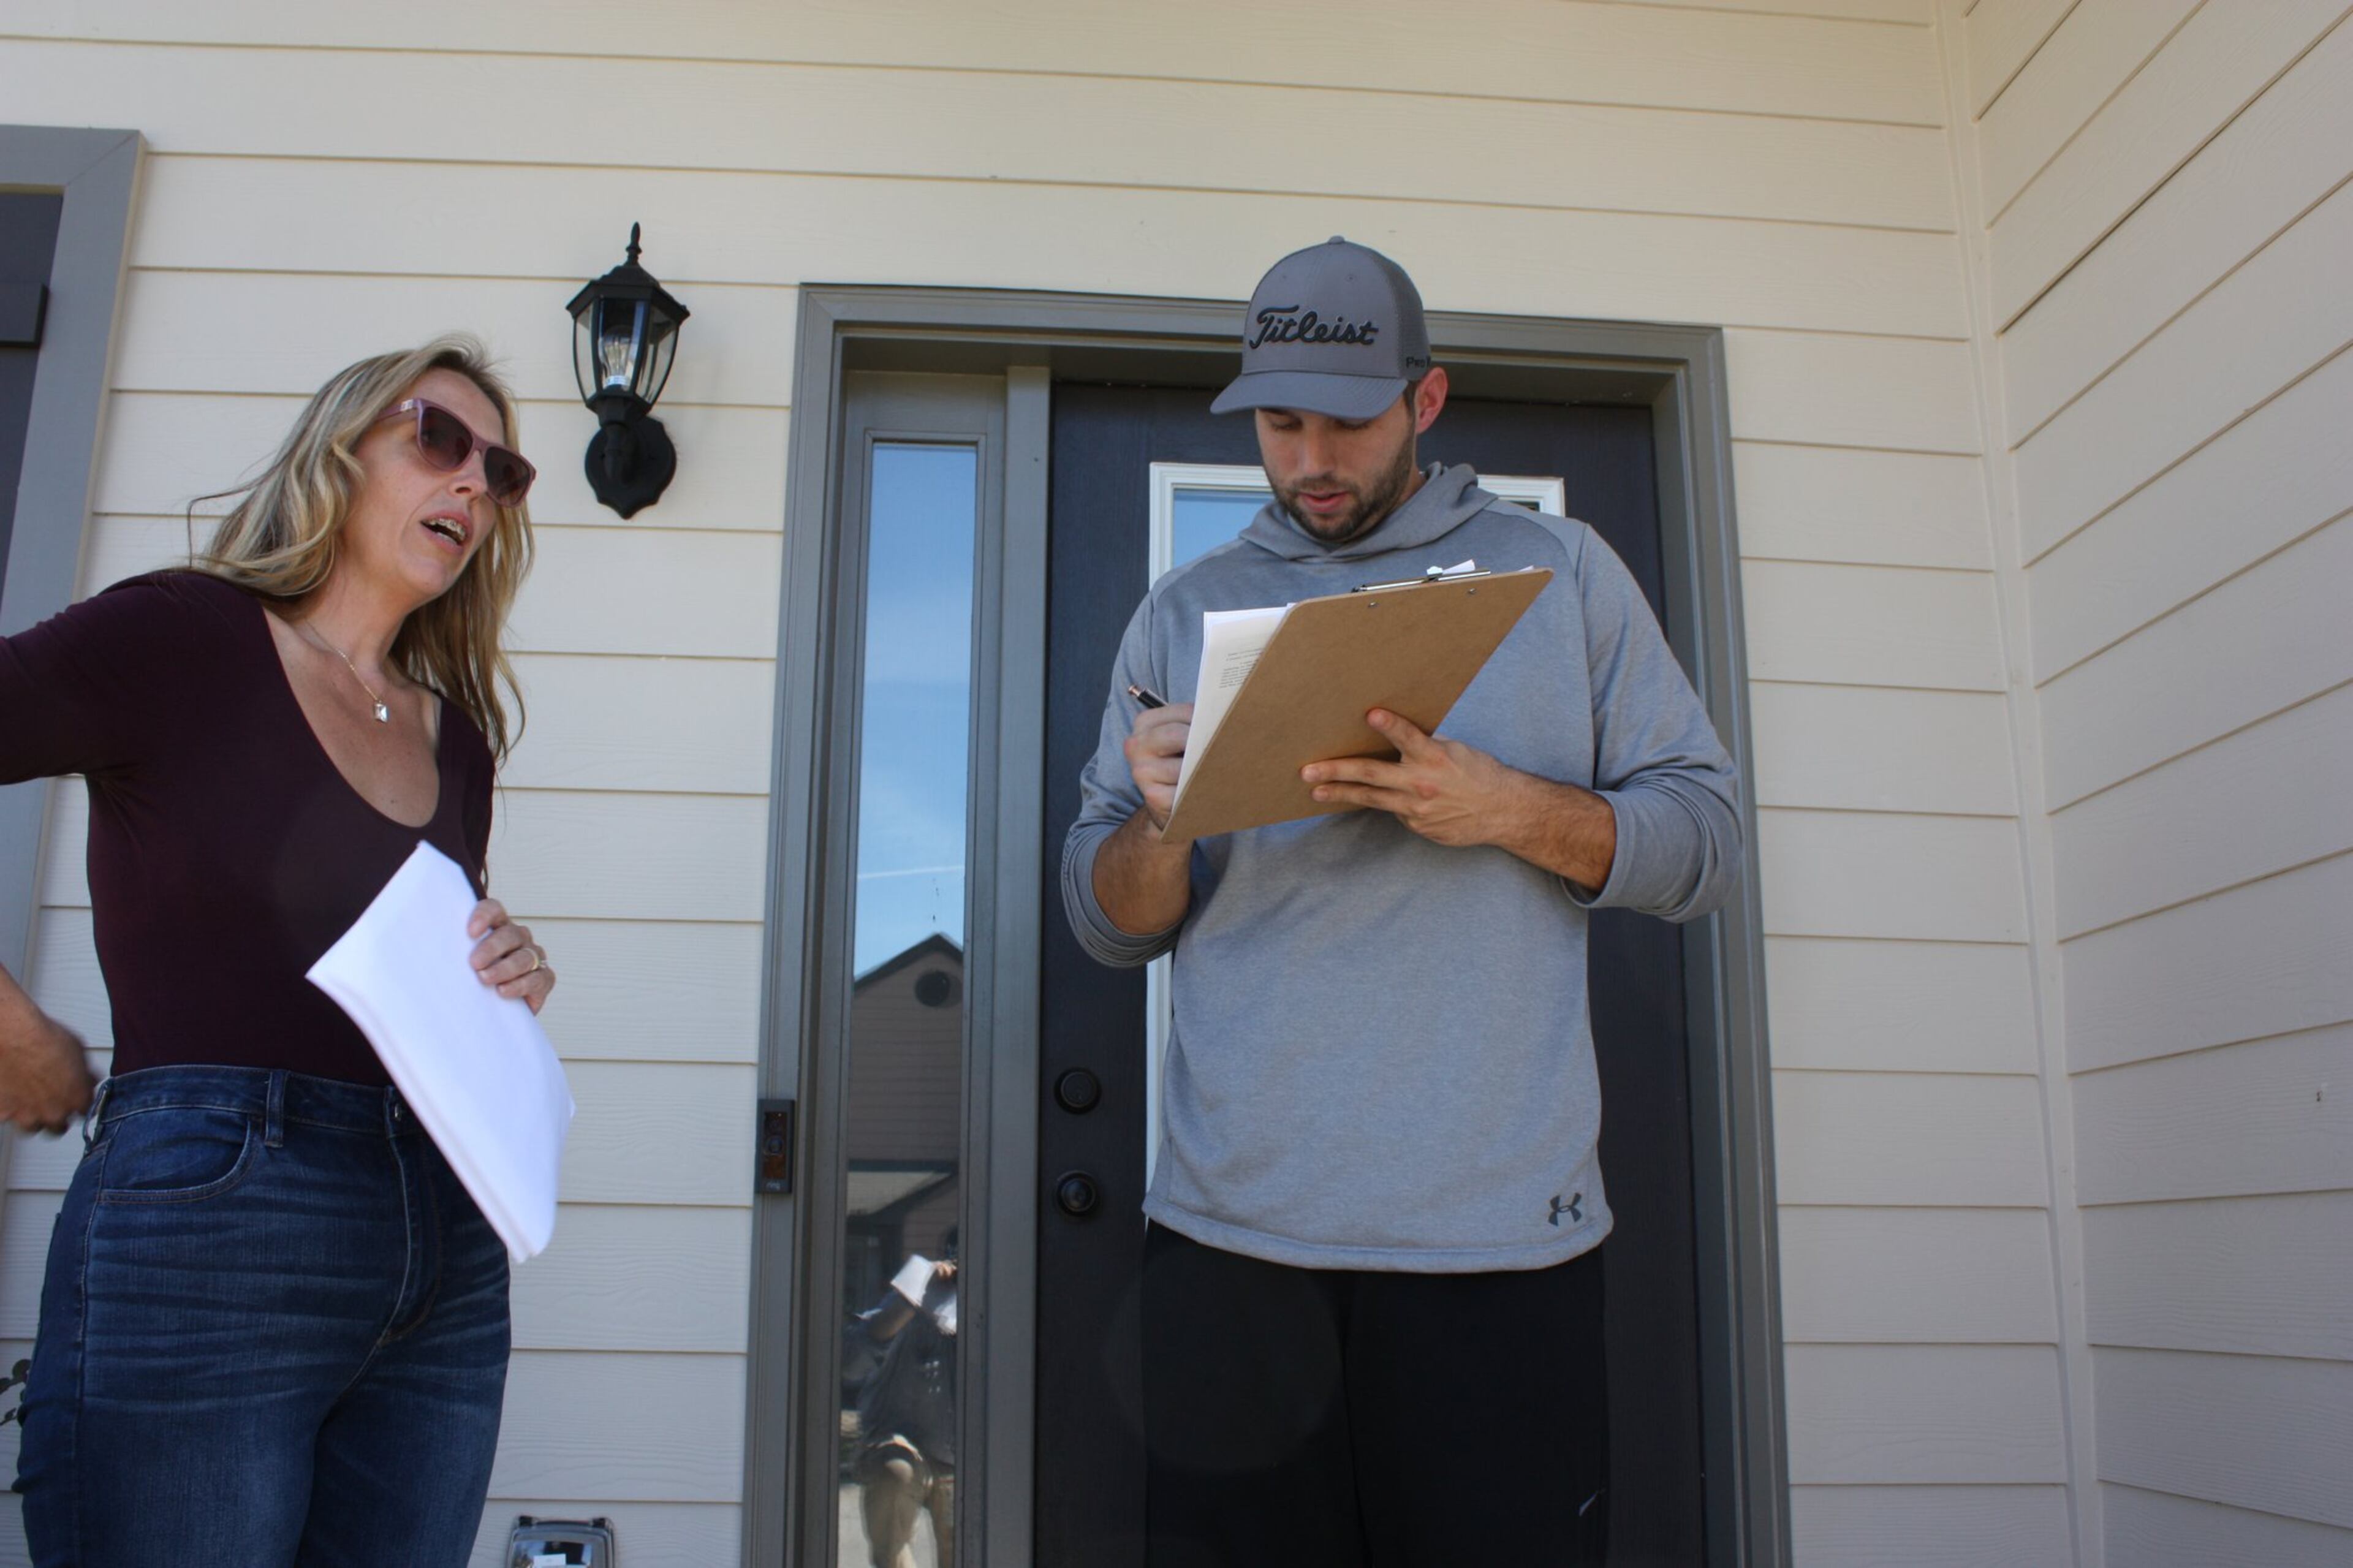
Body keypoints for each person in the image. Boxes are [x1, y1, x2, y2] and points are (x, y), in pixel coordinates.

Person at [1060, 238, 1743, 1566]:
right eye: (1279, 421)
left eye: (1349, 421)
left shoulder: (1568, 575)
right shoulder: (1182, 614)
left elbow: (1707, 842)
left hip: (1501, 1255)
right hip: (1231, 1252)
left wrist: (1509, 809)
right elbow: (1108, 920)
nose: (1311, 456)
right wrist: (1158, 814)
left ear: (1425, 403)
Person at [0, 337, 557, 1567]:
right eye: (437, 437)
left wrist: (504, 972)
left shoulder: (454, 738)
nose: (471, 482)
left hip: (444, 1238)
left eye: (500, 468)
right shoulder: (181, 635)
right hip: (212, 1212)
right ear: (337, 450)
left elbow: (390, 965)